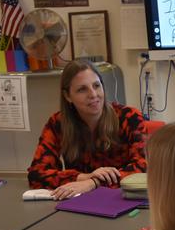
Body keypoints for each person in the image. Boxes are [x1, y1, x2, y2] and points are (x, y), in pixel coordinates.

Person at [27, 59, 146, 199]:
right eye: (82, 89)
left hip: (123, 200)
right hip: (80, 201)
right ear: (67, 96)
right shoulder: (58, 123)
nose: (93, 94)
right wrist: (83, 177)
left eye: (96, 85)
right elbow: (36, 174)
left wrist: (94, 182)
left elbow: (143, 168)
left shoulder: (129, 117)